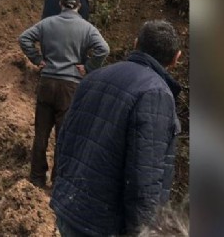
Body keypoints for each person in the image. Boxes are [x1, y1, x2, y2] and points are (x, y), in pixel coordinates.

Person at [51, 20, 183, 237]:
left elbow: (64, 140)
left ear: (135, 43)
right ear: (176, 58)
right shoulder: (155, 94)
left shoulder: (93, 77)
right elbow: (145, 180)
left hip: (70, 210)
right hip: (103, 225)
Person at [18, 0, 110, 189]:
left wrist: (37, 59)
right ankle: (58, 180)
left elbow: (24, 38)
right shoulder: (87, 28)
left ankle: (36, 178)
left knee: (41, 133)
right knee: (64, 135)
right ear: (78, 6)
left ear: (61, 4)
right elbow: (104, 49)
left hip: (47, 82)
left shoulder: (46, 24)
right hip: (70, 87)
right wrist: (89, 67)